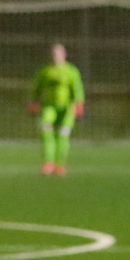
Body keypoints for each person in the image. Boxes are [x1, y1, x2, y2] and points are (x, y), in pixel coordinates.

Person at [27, 43, 85, 177]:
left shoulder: (71, 71)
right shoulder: (45, 71)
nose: (55, 57)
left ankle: (60, 165)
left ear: (64, 55)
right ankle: (48, 164)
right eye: (53, 54)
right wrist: (33, 101)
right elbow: (37, 87)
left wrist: (79, 105)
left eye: (58, 54)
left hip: (67, 108)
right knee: (46, 133)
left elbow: (77, 89)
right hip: (49, 107)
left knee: (63, 135)